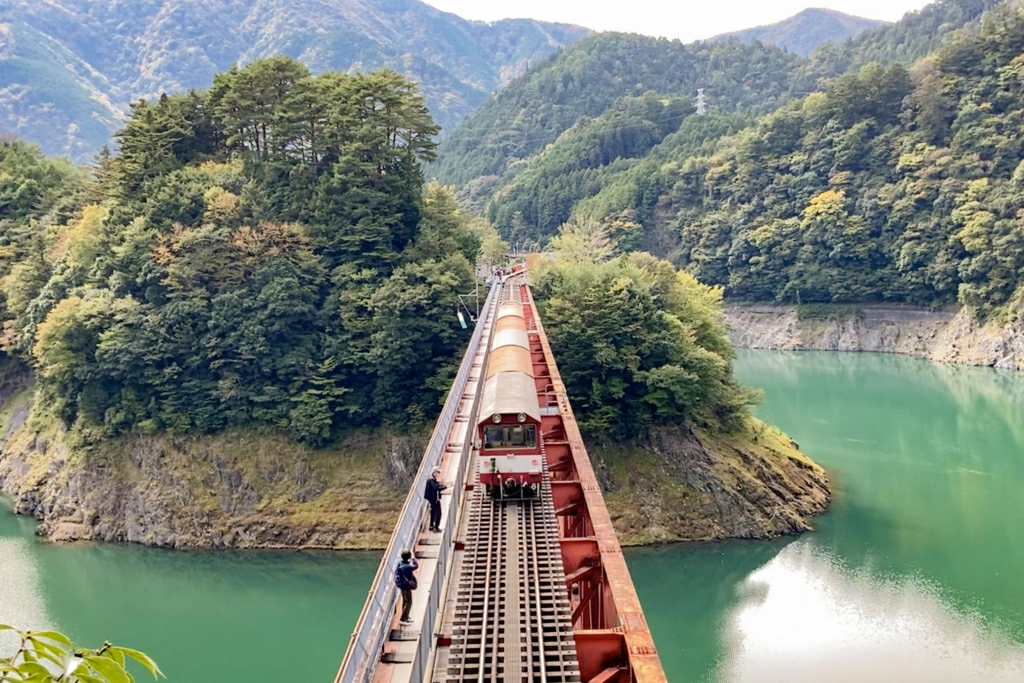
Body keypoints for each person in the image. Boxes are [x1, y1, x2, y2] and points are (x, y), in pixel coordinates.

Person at [394, 550, 418, 625]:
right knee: (409, 602)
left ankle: (406, 616)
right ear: (408, 557)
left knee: (405, 601)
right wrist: (413, 558)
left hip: (401, 585)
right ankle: (403, 619)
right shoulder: (407, 567)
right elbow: (416, 566)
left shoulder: (400, 563)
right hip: (406, 586)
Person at [424, 466, 447, 532]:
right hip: (434, 500)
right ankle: (436, 527)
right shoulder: (431, 480)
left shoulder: (430, 480)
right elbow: (436, 487)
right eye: (438, 472)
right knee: (438, 513)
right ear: (434, 472)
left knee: (433, 513)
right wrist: (443, 487)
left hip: (432, 500)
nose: (438, 474)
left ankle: (431, 526)